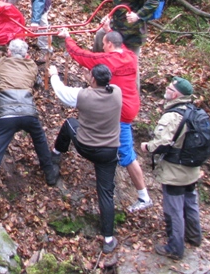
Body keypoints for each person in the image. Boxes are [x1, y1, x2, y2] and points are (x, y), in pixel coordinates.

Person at [57, 28, 152, 213]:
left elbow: (83, 56)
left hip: (122, 111)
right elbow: (120, 44)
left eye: (104, 43)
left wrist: (67, 38)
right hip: (131, 104)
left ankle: (143, 196)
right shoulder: (130, 55)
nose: (102, 46)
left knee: (127, 155)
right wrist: (109, 29)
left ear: (109, 44)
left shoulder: (109, 60)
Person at [0, 39, 58, 207]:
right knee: (40, 139)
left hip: (4, 114)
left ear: (8, 52)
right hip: (28, 112)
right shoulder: (32, 65)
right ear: (26, 55)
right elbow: (38, 84)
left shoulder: (0, 63)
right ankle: (50, 173)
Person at [49, 63, 122, 254]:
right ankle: (108, 238)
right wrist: (90, 80)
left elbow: (62, 92)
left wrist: (53, 75)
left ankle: (56, 153)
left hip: (87, 147)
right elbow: (97, 89)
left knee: (69, 124)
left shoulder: (83, 96)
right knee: (105, 193)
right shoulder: (116, 92)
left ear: (94, 79)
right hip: (109, 151)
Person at [140, 76, 202, 260]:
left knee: (174, 210)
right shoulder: (194, 110)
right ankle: (194, 236)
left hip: (175, 172)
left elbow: (162, 143)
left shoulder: (173, 115)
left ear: (175, 94)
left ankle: (175, 248)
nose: (165, 89)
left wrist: (146, 147)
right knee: (191, 203)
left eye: (168, 87)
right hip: (192, 169)